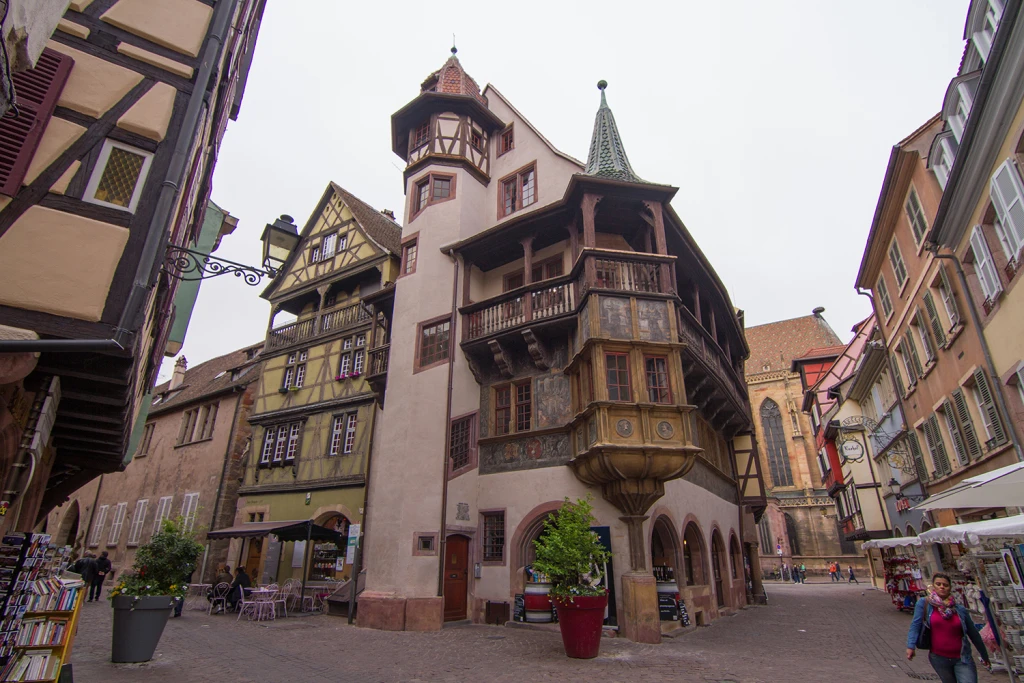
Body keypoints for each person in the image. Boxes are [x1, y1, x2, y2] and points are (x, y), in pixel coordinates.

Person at [907, 573, 990, 683]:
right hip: (938, 658)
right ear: (933, 586)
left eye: (945, 585)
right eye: (938, 584)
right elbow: (915, 625)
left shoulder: (960, 609)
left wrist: (984, 655)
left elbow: (973, 634)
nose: (942, 586)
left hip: (962, 658)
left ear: (950, 588)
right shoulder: (925, 603)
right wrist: (910, 646)